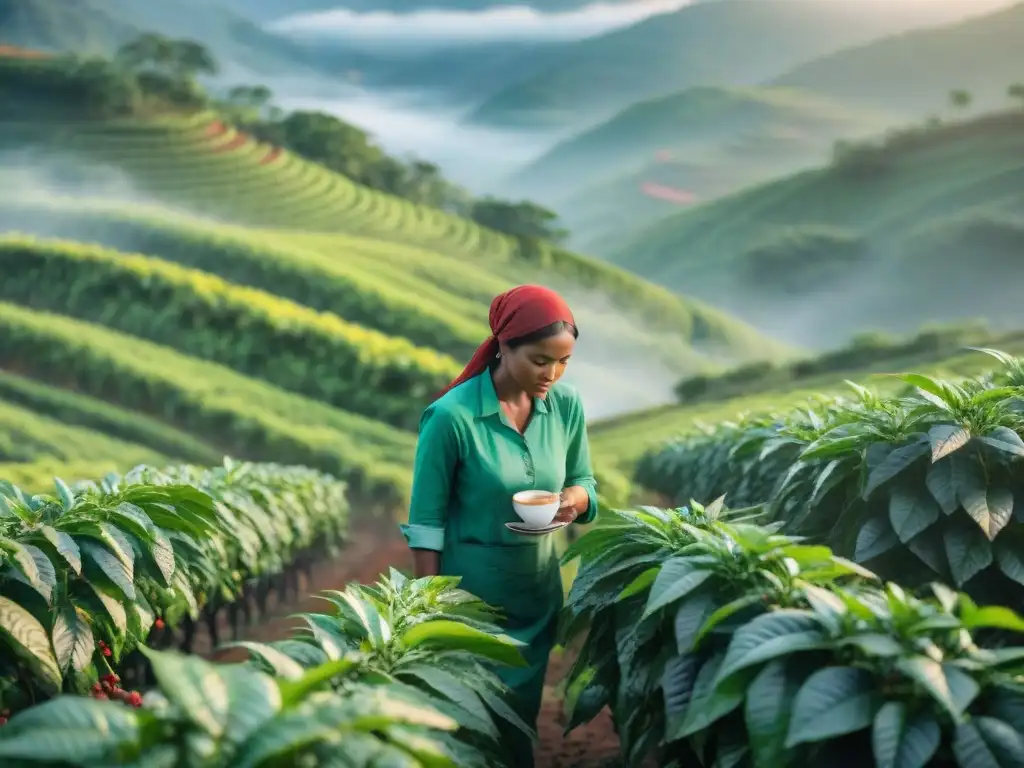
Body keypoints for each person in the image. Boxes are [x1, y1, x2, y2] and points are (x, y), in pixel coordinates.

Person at [400, 284, 598, 766]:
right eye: (539, 360)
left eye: (563, 362)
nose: (552, 374)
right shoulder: (450, 418)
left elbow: (584, 481)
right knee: (470, 727)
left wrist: (575, 499)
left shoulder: (565, 406)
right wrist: (433, 610)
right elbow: (425, 523)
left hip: (536, 599)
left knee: (517, 725)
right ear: (503, 346)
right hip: (470, 607)